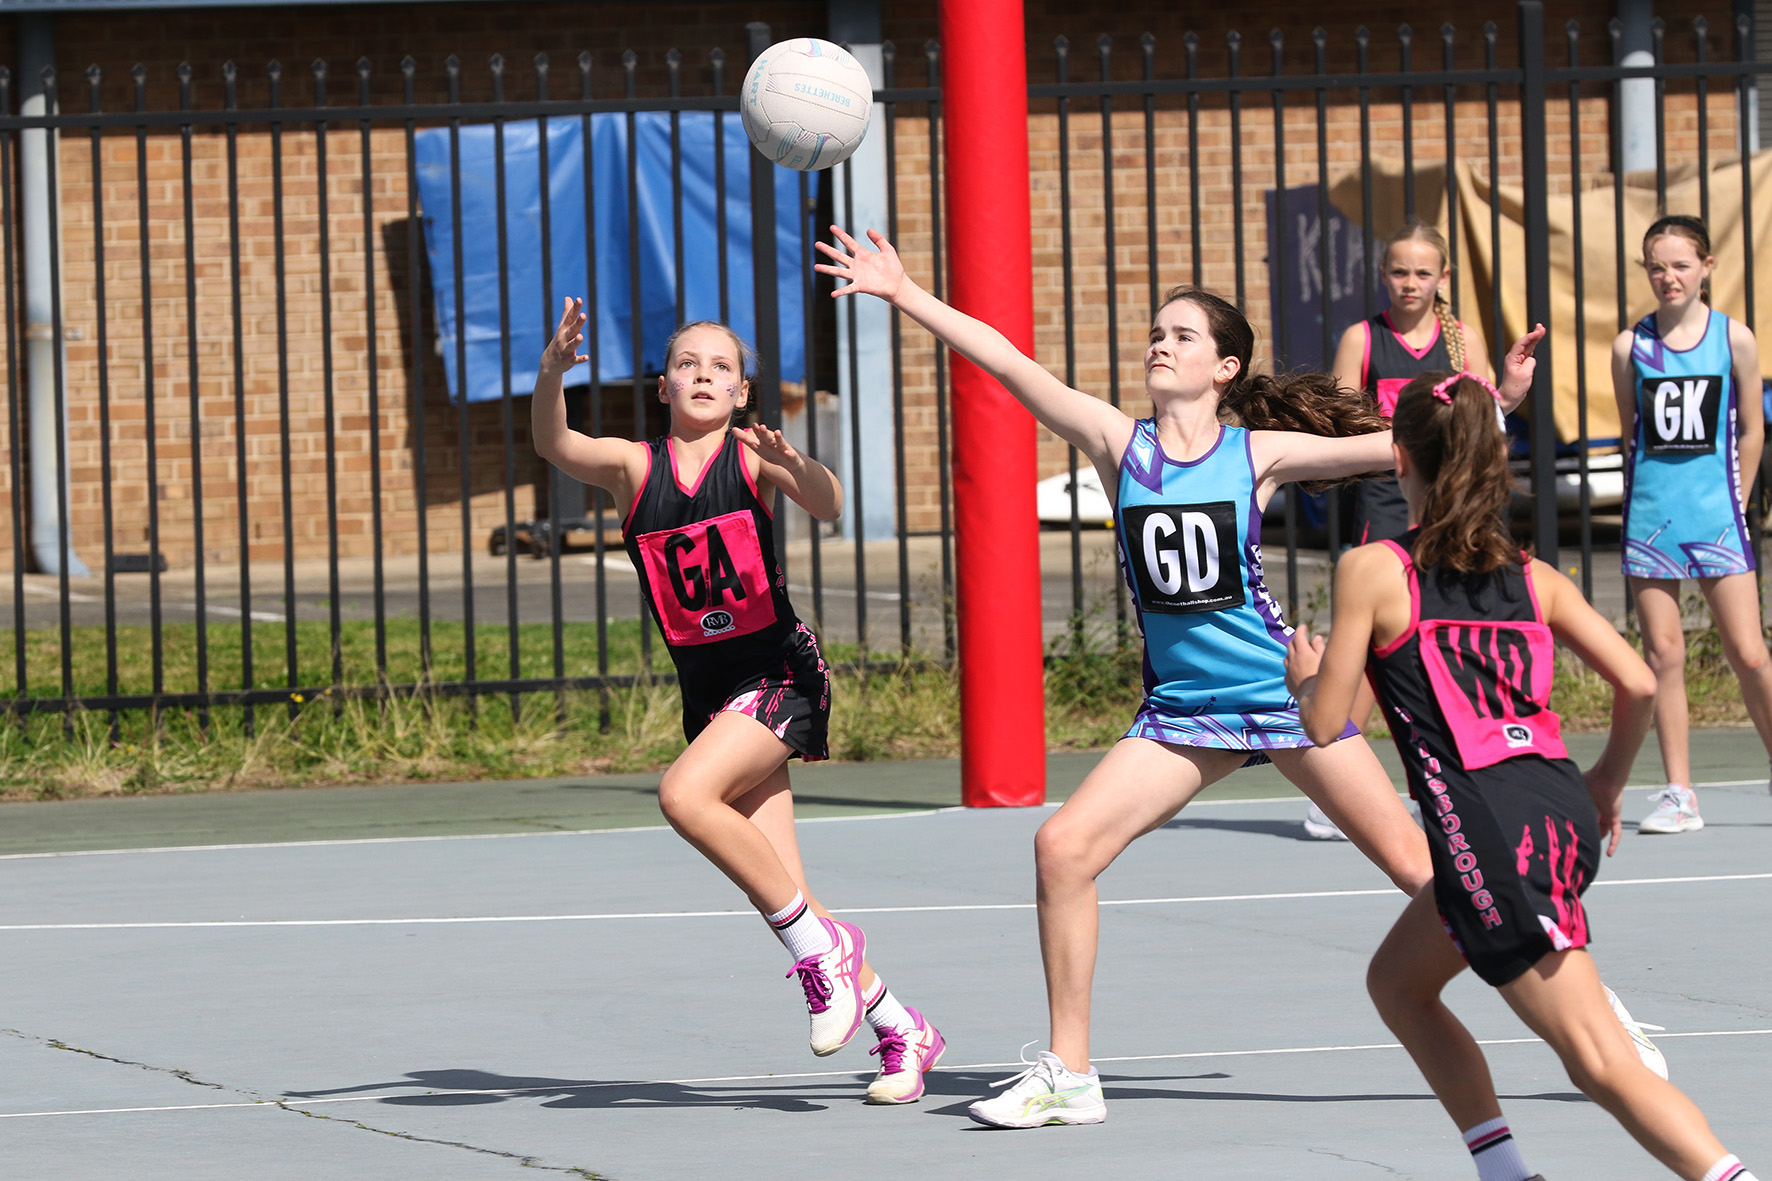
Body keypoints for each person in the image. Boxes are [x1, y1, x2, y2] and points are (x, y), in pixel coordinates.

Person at [815, 225, 1543, 1128]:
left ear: (1225, 368)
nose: (1161, 344)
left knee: (1422, 868)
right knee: (1062, 847)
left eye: (1183, 335)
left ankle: (1582, 1001)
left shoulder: (1257, 453)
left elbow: (1399, 445)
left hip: (1279, 697)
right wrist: (905, 293)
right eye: (1157, 333)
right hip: (1183, 711)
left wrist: (1499, 402)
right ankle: (1069, 1072)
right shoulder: (1117, 443)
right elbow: (1007, 362)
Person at [1287, 369, 1758, 1181]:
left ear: (1400, 459)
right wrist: (1606, 780)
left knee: (1599, 1061)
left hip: (1495, 835)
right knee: (1398, 983)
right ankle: (1506, 1171)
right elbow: (1639, 681)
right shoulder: (1536, 578)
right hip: (1555, 808)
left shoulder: (1376, 570)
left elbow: (1327, 725)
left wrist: (1306, 679)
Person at [530, 300, 944, 1103]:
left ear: (742, 390)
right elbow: (556, 442)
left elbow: (828, 502)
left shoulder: (752, 457)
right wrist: (553, 372)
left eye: (720, 366)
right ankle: (904, 1028)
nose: (703, 375)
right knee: (784, 887)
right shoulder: (634, 468)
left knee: (683, 795)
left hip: (779, 673)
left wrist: (796, 462)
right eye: (686, 363)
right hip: (713, 693)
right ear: (663, 386)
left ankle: (826, 955)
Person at [1304, 220, 1494, 841]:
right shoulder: (1363, 339)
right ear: (1383, 274)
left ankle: (1457, 772)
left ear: (1443, 278)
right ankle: (1337, 783)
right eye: (1399, 271)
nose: (1410, 283)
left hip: (1447, 505)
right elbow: (1333, 423)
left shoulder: (1463, 341)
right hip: (1384, 500)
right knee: (1365, 646)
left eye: (1422, 273)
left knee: (1446, 635)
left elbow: (1485, 422)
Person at [1612, 214, 1772, 835]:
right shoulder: (1630, 347)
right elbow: (1632, 435)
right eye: (1657, 266)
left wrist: (1738, 499)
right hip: (1653, 517)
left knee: (1749, 653)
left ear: (1706, 266)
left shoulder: (1734, 338)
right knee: (1663, 654)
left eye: (1681, 265)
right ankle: (1680, 794)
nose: (1668, 277)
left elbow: (1753, 429)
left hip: (1717, 515)